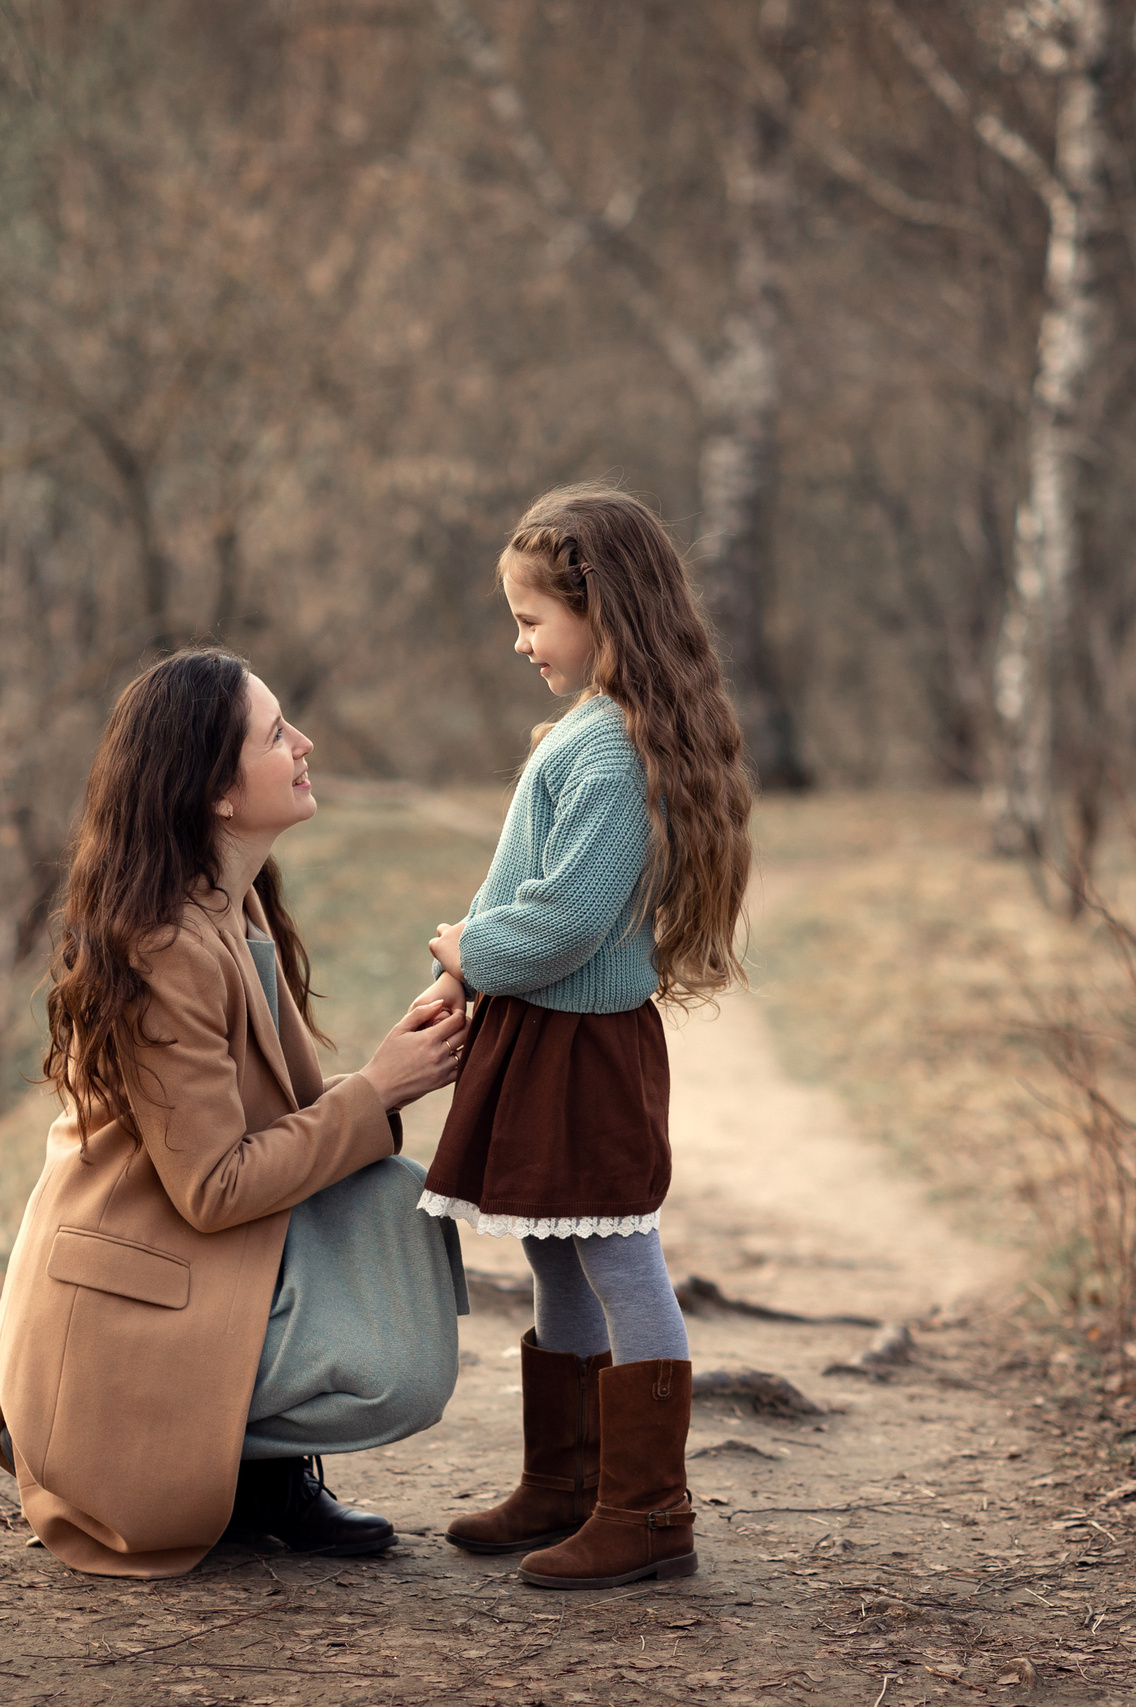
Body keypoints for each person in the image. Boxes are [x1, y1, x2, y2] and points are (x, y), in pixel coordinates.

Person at [0, 647, 471, 1580]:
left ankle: (256, 1472)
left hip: (191, 1263)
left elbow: (283, 1121)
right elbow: (212, 1185)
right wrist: (377, 1089)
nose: (304, 742)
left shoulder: (234, 908)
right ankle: (210, 1463)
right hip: (126, 1308)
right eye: (276, 734)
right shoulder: (163, 945)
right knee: (395, 1336)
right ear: (217, 792)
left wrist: (398, 1055)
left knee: (386, 1202)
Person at [416, 483, 753, 1590]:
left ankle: (648, 1511)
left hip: (585, 1049)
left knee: (616, 1252)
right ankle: (563, 1483)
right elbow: (536, 894)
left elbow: (563, 919)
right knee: (555, 1245)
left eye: (532, 619)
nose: (521, 643)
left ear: (599, 610)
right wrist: (464, 971)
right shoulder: (593, 732)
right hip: (545, 1036)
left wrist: (468, 949)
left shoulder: (609, 752)